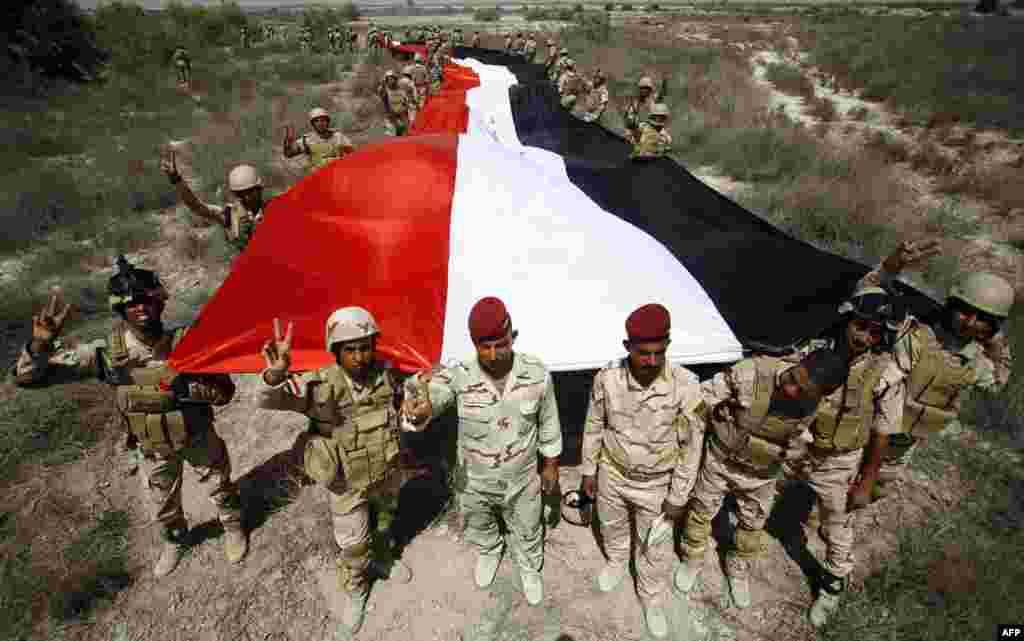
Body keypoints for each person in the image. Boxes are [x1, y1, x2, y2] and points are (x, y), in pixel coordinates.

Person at [13, 258, 246, 578]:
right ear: (120, 310)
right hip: (152, 445)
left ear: (160, 303)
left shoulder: (189, 341)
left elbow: (226, 391)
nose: (140, 308)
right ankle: (176, 541)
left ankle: (232, 527)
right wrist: (40, 345)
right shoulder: (106, 355)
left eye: (146, 300)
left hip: (197, 434)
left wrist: (201, 388)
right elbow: (28, 379)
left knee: (220, 484)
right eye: (131, 303)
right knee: (162, 503)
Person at [260, 310, 418, 635]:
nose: (359, 357)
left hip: (387, 469)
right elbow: (267, 399)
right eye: (349, 349)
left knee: (386, 522)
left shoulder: (388, 376)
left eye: (365, 347)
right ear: (336, 351)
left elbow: (411, 406)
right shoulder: (320, 384)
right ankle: (357, 588)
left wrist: (416, 407)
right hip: (346, 482)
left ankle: (384, 558)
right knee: (354, 544)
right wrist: (275, 375)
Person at [402, 297, 562, 606]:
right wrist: (420, 411)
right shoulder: (459, 375)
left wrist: (551, 465)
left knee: (529, 529)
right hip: (474, 482)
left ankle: (529, 567)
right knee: (479, 524)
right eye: (483, 346)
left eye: (500, 344)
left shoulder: (537, 373)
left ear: (512, 335)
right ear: (474, 344)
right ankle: (490, 550)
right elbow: (429, 396)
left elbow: (549, 422)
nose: (492, 354)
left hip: (523, 479)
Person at [674, 349, 849, 609]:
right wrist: (695, 441)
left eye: (803, 392)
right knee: (700, 512)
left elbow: (817, 445)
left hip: (762, 474)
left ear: (821, 395)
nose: (791, 391)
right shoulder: (751, 374)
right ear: (799, 362)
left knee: (752, 525)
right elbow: (698, 401)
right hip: (720, 461)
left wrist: (800, 451)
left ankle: (738, 568)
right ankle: (692, 558)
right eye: (792, 379)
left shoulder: (821, 405)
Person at [780, 288, 907, 627]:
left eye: (874, 332)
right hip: (798, 449)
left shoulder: (884, 373)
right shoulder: (814, 349)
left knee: (837, 524)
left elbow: (883, 430)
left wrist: (866, 480)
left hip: (840, 461)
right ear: (847, 321)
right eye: (860, 326)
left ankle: (833, 583)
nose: (864, 337)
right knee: (759, 494)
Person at [580, 304, 706, 638]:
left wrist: (679, 496)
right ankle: (618, 562)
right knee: (611, 526)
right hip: (613, 473)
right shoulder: (607, 379)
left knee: (654, 546)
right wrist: (589, 469)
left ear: (667, 345)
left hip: (657, 484)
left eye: (658, 353)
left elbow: (692, 448)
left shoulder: (687, 386)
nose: (651, 361)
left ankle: (650, 596)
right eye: (642, 353)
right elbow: (594, 424)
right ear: (627, 347)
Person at [859, 240, 1014, 498]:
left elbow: (998, 381)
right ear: (953, 305)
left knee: (870, 495)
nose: (970, 322)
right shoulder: (910, 326)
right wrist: (892, 266)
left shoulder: (974, 361)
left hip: (899, 447)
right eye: (966, 312)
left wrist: (996, 344)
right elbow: (867, 292)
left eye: (983, 319)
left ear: (994, 325)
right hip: (861, 426)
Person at [160, 152, 274, 252]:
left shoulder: (277, 209)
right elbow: (197, 206)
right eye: (241, 193)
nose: (247, 197)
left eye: (250, 192)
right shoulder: (229, 215)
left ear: (259, 189)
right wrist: (176, 180)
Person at [283, 107, 355, 173]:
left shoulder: (339, 137)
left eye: (323, 120)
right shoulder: (307, 140)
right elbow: (288, 154)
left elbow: (353, 155)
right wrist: (288, 140)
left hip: (338, 176)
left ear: (327, 122)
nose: (320, 123)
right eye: (316, 121)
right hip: (319, 178)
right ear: (313, 124)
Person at [624, 76, 658, 143]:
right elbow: (629, 118)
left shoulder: (654, 102)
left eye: (646, 88)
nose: (644, 90)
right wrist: (631, 119)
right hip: (636, 130)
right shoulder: (635, 102)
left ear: (650, 89)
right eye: (642, 88)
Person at [378, 70, 411, 137]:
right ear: (386, 81)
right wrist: (383, 84)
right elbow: (381, 94)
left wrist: (406, 106)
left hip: (402, 112)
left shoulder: (401, 88)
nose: (391, 81)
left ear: (395, 79)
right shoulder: (385, 90)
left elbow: (405, 99)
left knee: (406, 130)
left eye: (392, 79)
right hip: (391, 114)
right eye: (389, 79)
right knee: (395, 131)